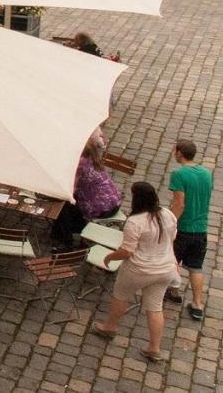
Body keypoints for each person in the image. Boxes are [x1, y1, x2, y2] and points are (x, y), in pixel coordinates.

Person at [91, 182, 178, 362]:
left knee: (121, 295)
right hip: (165, 269)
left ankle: (110, 327)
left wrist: (109, 257)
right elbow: (173, 236)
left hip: (139, 269)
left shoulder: (135, 221)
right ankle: (154, 347)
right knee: (155, 307)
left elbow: (127, 251)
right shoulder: (167, 214)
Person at [167, 139, 211, 320]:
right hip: (201, 228)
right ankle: (197, 304)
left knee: (173, 260)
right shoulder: (207, 173)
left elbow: (179, 203)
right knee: (196, 268)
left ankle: (174, 292)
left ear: (179, 153)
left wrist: (170, 222)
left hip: (183, 227)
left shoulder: (179, 174)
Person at [51, 140, 123, 246]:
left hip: (101, 207)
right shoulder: (92, 157)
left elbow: (70, 190)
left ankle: (65, 239)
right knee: (69, 204)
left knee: (63, 206)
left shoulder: (80, 163)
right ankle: (67, 231)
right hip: (113, 201)